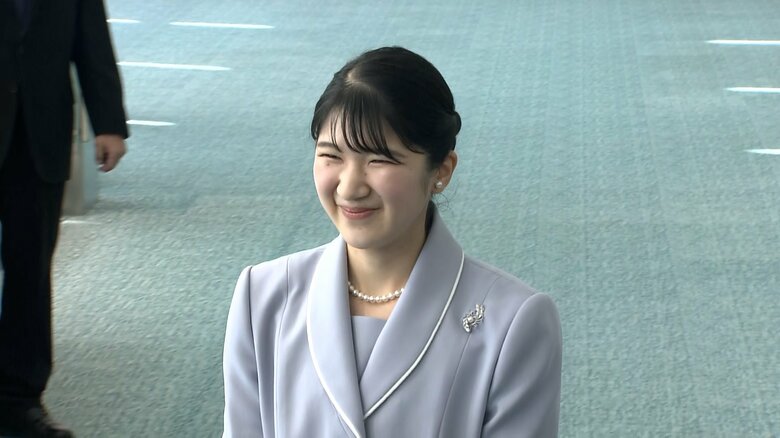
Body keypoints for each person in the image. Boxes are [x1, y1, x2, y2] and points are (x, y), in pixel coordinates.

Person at [223, 46, 561, 437]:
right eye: (331, 155)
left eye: (378, 160)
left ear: (441, 170)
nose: (350, 187)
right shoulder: (263, 296)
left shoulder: (513, 321)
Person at [0, 0, 128, 436]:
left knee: (30, 270)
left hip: (40, 135)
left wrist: (108, 122)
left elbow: (91, 39)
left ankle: (19, 398)